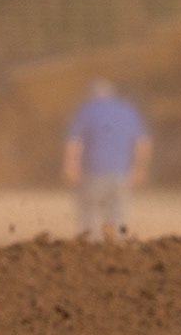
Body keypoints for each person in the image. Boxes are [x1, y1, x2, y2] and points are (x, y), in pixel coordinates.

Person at [63, 79, 150, 238]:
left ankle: (91, 244)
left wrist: (71, 165)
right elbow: (143, 143)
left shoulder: (86, 110)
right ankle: (116, 245)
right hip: (122, 174)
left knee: (89, 212)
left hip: (94, 172)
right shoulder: (127, 110)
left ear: (91, 94)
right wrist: (139, 169)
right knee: (119, 214)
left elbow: (74, 142)